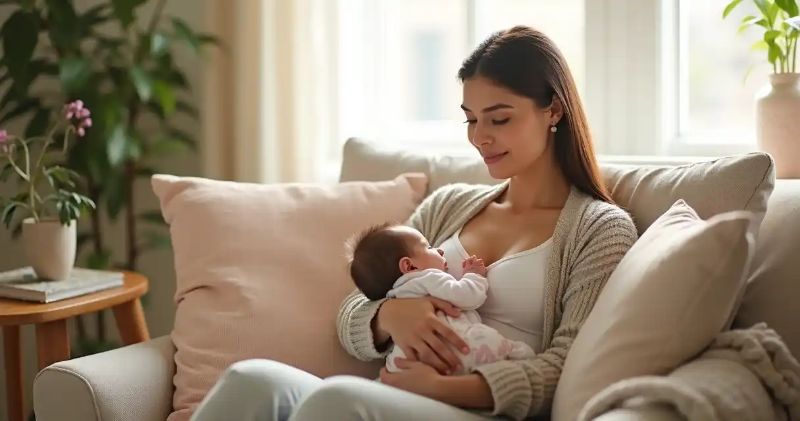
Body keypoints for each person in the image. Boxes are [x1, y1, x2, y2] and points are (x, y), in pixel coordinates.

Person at [191, 25, 638, 421]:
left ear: (554, 110)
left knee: (340, 400)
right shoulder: (448, 205)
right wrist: (389, 315)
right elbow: (350, 310)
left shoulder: (600, 230)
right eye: (471, 119)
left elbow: (569, 366)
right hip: (401, 397)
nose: (480, 137)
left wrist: (443, 388)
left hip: (481, 408)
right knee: (251, 380)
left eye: (499, 118)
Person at [347, 222, 536, 375]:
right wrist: (474, 275)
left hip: (411, 361)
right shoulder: (428, 278)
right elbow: (468, 296)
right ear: (409, 266)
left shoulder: (393, 295)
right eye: (428, 247)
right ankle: (513, 351)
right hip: (459, 348)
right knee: (500, 344)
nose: (440, 250)